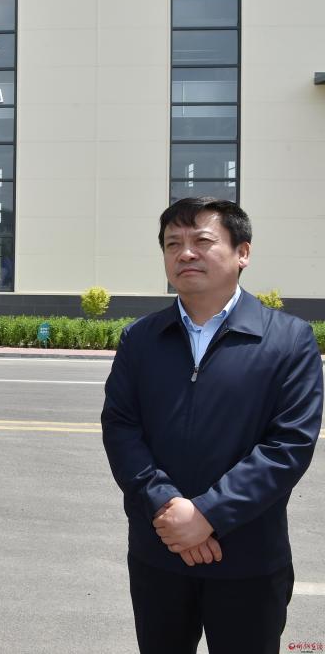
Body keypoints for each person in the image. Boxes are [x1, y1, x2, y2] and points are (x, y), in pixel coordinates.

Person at [102, 197, 323, 654]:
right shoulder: (141, 338)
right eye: (172, 244)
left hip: (247, 558)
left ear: (243, 252)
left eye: (202, 241)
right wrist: (165, 506)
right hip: (159, 549)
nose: (185, 253)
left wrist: (208, 515)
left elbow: (288, 446)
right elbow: (121, 427)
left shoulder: (288, 340)